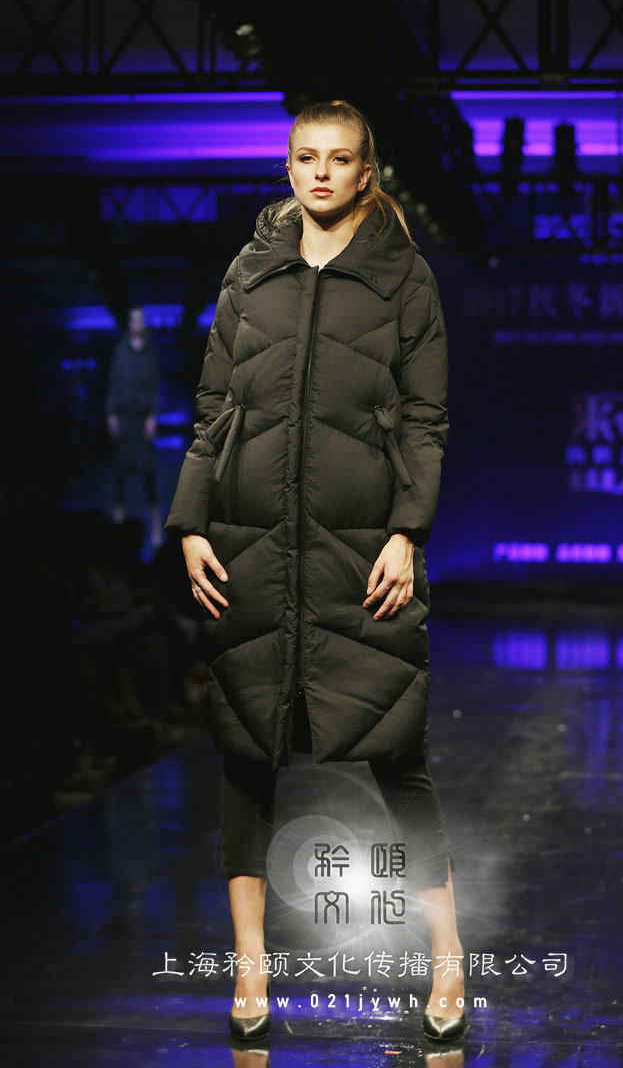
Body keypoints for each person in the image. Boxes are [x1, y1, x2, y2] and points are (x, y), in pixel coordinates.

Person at [164, 99, 465, 1042]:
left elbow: (426, 418)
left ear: (367, 171)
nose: (322, 173)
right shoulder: (250, 271)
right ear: (288, 167)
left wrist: (407, 532)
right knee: (244, 754)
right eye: (306, 157)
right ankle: (250, 970)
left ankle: (448, 959)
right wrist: (190, 522)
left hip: (360, 546)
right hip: (250, 538)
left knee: (398, 755)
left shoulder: (403, 278)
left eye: (340, 159)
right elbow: (214, 407)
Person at [105, 306, 163, 548]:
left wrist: (152, 417)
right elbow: (113, 383)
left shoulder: (149, 353)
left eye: (141, 320)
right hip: (124, 418)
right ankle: (118, 528)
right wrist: (111, 414)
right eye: (134, 320)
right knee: (120, 474)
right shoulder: (121, 352)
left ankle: (156, 529)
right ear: (130, 323)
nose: (137, 324)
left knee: (148, 474)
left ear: (143, 323)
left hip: (142, 420)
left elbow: (154, 386)